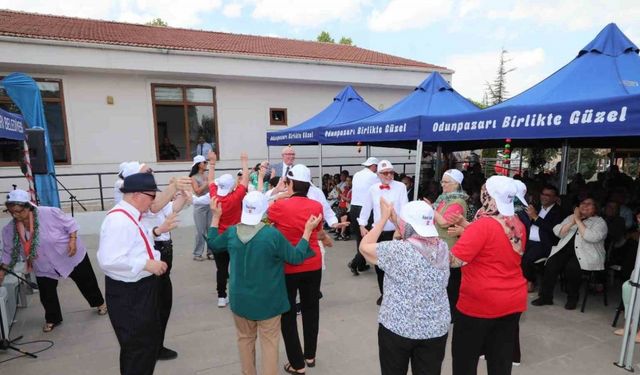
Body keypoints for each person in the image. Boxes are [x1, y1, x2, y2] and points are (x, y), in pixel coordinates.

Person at [207, 191, 321, 375]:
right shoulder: (272, 235)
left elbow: (212, 242)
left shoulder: (231, 233)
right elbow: (296, 257)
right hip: (269, 302)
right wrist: (307, 231)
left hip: (240, 300)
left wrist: (216, 217)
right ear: (264, 211)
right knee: (269, 343)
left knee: (244, 340)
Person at [97, 173, 178, 375]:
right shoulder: (119, 220)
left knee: (144, 345)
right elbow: (109, 260)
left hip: (138, 290)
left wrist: (157, 231)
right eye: (151, 196)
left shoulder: (131, 216)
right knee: (138, 348)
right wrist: (146, 264)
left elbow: (133, 243)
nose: (153, 201)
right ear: (136, 195)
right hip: (130, 293)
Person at [360, 199, 450, 375]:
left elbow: (364, 247)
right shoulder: (443, 248)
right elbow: (413, 234)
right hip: (434, 329)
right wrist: (398, 221)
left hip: (397, 328)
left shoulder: (397, 251)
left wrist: (384, 218)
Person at [449, 175, 527, 375]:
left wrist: (428, 246)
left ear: (488, 195)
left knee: (465, 359)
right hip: (512, 300)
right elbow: (494, 244)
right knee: (500, 359)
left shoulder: (483, 225)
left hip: (480, 302)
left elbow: (454, 260)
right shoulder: (517, 223)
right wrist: (468, 227)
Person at [0, 189, 107, 333]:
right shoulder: (9, 230)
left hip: (69, 255)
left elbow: (71, 224)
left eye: (19, 211)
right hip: (42, 264)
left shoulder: (49, 213)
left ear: (28, 206)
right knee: (46, 292)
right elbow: (8, 251)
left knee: (86, 281)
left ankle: (99, 303)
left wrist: (73, 241)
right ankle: (52, 318)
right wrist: (2, 270)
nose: (16, 215)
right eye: (12, 212)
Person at [267, 164, 324, 375]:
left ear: (290, 183)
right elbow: (317, 230)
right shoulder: (316, 205)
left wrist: (279, 195)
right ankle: (310, 355)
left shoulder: (279, 206)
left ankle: (296, 362)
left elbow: (267, 219)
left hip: (289, 264)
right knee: (311, 309)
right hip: (313, 263)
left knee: (288, 313)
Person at [140, 190, 191, 360]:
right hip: (155, 250)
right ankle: (153, 347)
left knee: (163, 303)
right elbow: (155, 207)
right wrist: (172, 188)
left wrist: (184, 194)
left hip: (164, 249)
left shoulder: (157, 198)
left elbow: (172, 208)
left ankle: (156, 345)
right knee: (156, 303)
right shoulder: (146, 201)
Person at [532, 196, 607, 310]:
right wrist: (573, 221)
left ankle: (573, 298)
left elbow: (589, 237)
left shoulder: (600, 223)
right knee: (551, 263)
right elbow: (557, 232)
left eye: (589, 204)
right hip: (565, 250)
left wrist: (578, 220)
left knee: (572, 268)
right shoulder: (571, 217)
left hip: (586, 254)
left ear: (596, 208)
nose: (584, 205)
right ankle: (545, 297)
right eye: (582, 203)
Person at [358, 160, 408, 305]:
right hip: (378, 232)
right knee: (379, 265)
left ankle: (396, 294)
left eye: (391, 172)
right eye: (385, 173)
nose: (388, 175)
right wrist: (362, 225)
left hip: (395, 231)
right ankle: (383, 293)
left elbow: (404, 208)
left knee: (396, 265)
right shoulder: (373, 189)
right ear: (378, 174)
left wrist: (401, 229)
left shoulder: (401, 187)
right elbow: (366, 207)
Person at [207, 151, 250, 307]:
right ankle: (235, 295)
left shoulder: (214, 195)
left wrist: (212, 163)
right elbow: (245, 180)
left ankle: (221, 297)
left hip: (219, 237)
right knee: (237, 268)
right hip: (235, 236)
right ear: (232, 186)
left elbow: (210, 179)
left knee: (221, 269)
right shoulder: (235, 196)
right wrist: (244, 161)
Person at [431, 169, 468, 320]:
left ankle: (453, 313)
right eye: (442, 181)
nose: (443, 185)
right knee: (442, 281)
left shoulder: (458, 201)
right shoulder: (444, 198)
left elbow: (445, 222)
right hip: (440, 244)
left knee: (451, 283)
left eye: (446, 182)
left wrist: (431, 209)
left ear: (456, 184)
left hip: (451, 247)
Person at [522, 185, 563, 292]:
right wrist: (529, 218)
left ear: (555, 198)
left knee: (527, 258)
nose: (544, 197)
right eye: (543, 194)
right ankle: (520, 279)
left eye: (548, 195)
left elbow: (554, 230)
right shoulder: (536, 206)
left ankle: (530, 280)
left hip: (544, 243)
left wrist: (535, 217)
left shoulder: (559, 212)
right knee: (514, 253)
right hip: (528, 240)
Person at [348, 156, 379, 275]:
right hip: (365, 209)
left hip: (354, 208)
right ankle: (355, 263)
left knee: (359, 238)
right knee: (368, 239)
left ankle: (360, 264)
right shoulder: (373, 176)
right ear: (374, 166)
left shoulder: (356, 174)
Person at [190, 155, 213, 261]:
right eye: (204, 162)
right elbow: (197, 191)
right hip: (199, 207)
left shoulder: (207, 175)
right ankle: (197, 254)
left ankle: (210, 252)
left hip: (210, 205)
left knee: (211, 230)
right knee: (200, 231)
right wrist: (207, 183)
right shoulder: (193, 177)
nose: (206, 164)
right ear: (199, 164)